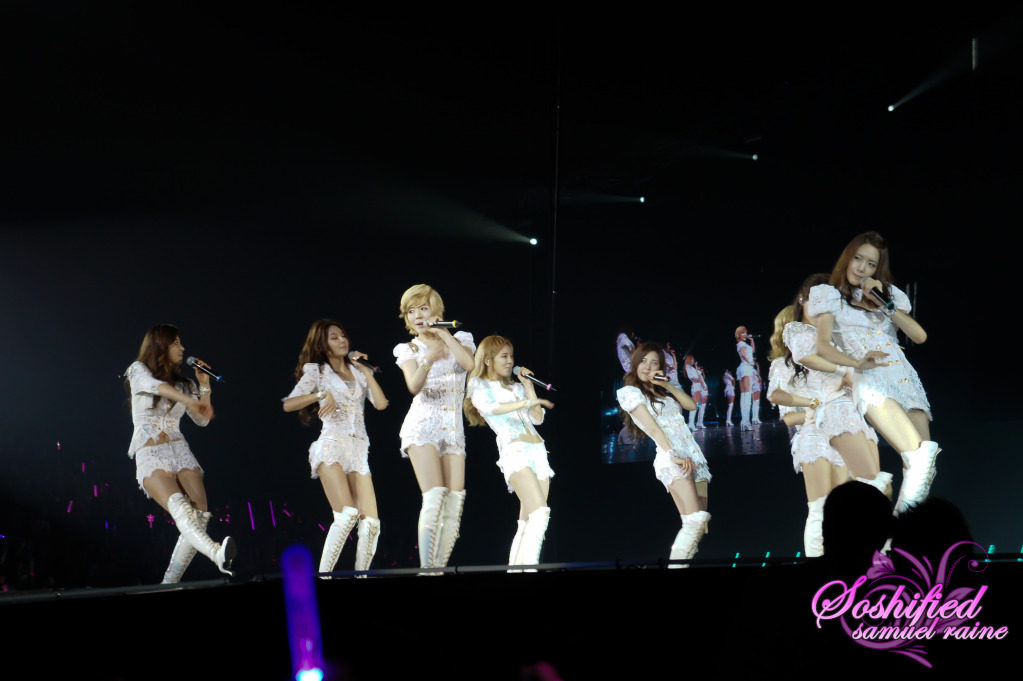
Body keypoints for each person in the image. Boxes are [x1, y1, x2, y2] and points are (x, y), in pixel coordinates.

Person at [808, 232, 937, 514]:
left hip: (904, 379)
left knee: (923, 464)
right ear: (847, 258)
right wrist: (857, 363)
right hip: (872, 380)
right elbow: (822, 347)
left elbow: (919, 336)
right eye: (858, 259)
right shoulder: (830, 295)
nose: (862, 268)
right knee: (920, 457)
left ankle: (897, 535)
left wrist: (883, 302)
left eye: (870, 264)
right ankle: (895, 535)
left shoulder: (887, 296)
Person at [124, 324, 235, 582]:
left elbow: (202, 419)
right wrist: (188, 400)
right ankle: (217, 553)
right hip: (151, 451)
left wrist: (204, 385)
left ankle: (169, 583)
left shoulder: (185, 384)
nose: (182, 348)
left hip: (180, 451)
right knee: (182, 510)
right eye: (176, 343)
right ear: (160, 345)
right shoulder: (138, 370)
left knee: (200, 515)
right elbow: (154, 386)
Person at [283, 320, 388, 577]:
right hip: (332, 446)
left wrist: (366, 371)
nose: (342, 340)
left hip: (358, 451)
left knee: (371, 525)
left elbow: (381, 404)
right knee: (347, 515)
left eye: (343, 336)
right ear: (322, 345)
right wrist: (320, 395)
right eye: (334, 337)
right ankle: (324, 577)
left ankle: (362, 578)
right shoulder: (317, 372)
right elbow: (289, 404)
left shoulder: (359, 372)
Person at [393, 284, 476, 569]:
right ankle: (426, 571)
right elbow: (413, 386)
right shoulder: (408, 349)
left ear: (436, 311)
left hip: (452, 430)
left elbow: (469, 364)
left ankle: (437, 571)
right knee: (435, 496)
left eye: (423, 308)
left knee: (454, 504)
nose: (417, 315)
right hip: (423, 426)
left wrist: (444, 336)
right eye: (411, 311)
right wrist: (429, 357)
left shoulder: (461, 338)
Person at [464, 336, 555, 568]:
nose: (510, 361)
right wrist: (525, 404)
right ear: (488, 360)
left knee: (527, 522)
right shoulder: (480, 385)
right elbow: (491, 408)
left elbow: (537, 418)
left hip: (538, 452)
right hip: (515, 450)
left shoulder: (517, 387)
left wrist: (528, 387)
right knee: (540, 514)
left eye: (511, 356)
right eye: (504, 356)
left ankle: (516, 569)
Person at [617, 343, 711, 564]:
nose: (648, 367)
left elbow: (691, 406)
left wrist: (667, 385)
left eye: (654, 363)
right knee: (696, 521)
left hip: (695, 458)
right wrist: (672, 455)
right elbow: (653, 428)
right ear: (635, 364)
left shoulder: (664, 391)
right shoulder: (630, 393)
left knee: (697, 528)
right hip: (673, 458)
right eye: (643, 361)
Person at [767, 305, 849, 557]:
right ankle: (817, 571)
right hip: (813, 436)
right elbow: (789, 418)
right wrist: (816, 408)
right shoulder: (782, 365)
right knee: (820, 509)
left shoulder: (829, 361)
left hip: (842, 436)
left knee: (845, 511)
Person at [735, 326, 757, 430]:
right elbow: (743, 354)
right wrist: (750, 362)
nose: (745, 335)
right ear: (738, 334)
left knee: (743, 395)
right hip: (746, 367)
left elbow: (752, 351)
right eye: (742, 333)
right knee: (747, 395)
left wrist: (752, 340)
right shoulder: (742, 344)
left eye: (745, 333)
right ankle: (746, 422)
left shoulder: (742, 344)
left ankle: (743, 422)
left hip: (741, 368)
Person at [684, 354, 708, 429]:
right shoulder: (688, 366)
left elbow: (701, 377)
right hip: (696, 386)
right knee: (695, 405)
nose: (693, 361)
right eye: (692, 360)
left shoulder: (693, 368)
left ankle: (700, 423)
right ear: (690, 359)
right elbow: (692, 377)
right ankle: (691, 424)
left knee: (702, 406)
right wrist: (699, 380)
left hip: (701, 386)